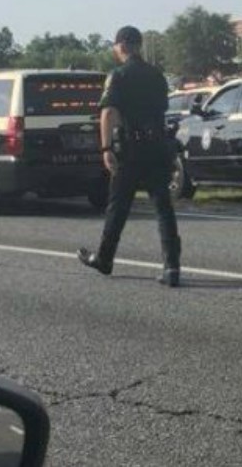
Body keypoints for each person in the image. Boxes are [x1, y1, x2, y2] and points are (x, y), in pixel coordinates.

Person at [77, 25, 183, 287]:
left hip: (131, 150)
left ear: (122, 45)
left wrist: (106, 148)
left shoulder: (119, 76)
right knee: (163, 207)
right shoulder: (157, 75)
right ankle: (172, 266)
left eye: (114, 46)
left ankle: (104, 257)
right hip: (158, 146)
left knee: (118, 206)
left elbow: (108, 113)